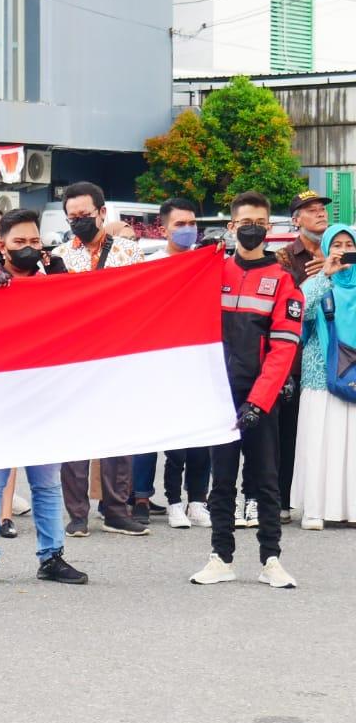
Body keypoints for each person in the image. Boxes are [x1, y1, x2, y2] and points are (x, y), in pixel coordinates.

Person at [0, 209, 87, 587]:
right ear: (2, 246)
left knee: (46, 484)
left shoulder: (55, 284)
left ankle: (52, 557)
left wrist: (64, 283)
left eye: (35, 241)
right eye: (20, 242)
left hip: (44, 400)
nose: (29, 248)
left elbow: (82, 321)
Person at [192, 191, 301, 589]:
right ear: (231, 226)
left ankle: (271, 560)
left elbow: (283, 349)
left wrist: (259, 401)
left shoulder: (284, 281)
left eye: (259, 223)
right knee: (221, 481)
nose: (251, 229)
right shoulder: (212, 272)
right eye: (244, 223)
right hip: (220, 396)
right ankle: (220, 557)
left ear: (269, 228)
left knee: (265, 481)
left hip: (261, 398)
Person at [52, 182, 147, 538]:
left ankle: (116, 510)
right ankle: (77, 513)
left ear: (102, 213)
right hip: (73, 358)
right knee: (74, 437)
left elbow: (143, 296)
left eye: (84, 215)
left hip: (117, 354)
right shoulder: (59, 256)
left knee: (117, 435)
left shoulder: (129, 252)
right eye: (72, 217)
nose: (78, 221)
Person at [145, 198, 213, 530]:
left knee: (203, 438)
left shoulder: (207, 261)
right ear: (164, 229)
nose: (187, 230)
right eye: (179, 224)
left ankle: (197, 501)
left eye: (192, 223)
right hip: (166, 361)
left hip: (201, 359)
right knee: (175, 444)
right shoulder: (151, 265)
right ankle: (173, 502)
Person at [291, 223, 356, 530]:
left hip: (353, 376)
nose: (344, 251)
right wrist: (324, 276)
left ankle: (351, 509)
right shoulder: (317, 283)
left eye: (349, 245)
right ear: (327, 250)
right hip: (321, 377)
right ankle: (315, 509)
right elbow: (300, 314)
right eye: (337, 245)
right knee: (319, 441)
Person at [275, 189, 330, 522]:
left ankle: (329, 501)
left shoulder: (341, 249)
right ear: (296, 220)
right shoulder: (284, 257)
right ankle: (282, 499)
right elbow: (286, 304)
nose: (320, 213)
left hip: (334, 355)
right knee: (290, 432)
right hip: (296, 359)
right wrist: (318, 277)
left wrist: (335, 265)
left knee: (330, 434)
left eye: (322, 208)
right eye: (311, 210)